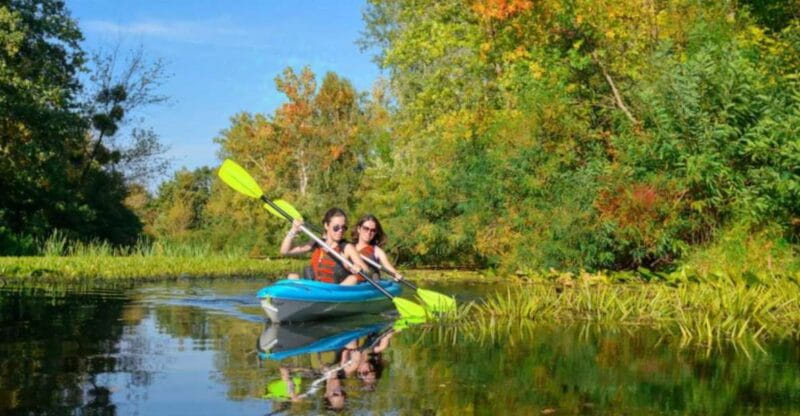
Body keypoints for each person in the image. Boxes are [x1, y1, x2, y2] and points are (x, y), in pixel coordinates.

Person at [279, 207, 369, 286]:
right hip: (315, 288)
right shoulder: (317, 242)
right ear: (326, 225)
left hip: (336, 291)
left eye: (344, 227)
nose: (340, 231)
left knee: (352, 279)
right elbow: (285, 251)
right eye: (336, 227)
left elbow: (367, 270)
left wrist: (359, 268)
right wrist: (293, 230)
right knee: (292, 277)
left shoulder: (347, 247)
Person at [352, 214, 404, 281]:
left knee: (375, 275)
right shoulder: (349, 248)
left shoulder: (377, 251)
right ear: (359, 229)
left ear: (375, 233)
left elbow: (388, 267)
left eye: (373, 230)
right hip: (352, 283)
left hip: (370, 285)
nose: (369, 232)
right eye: (366, 228)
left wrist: (396, 274)